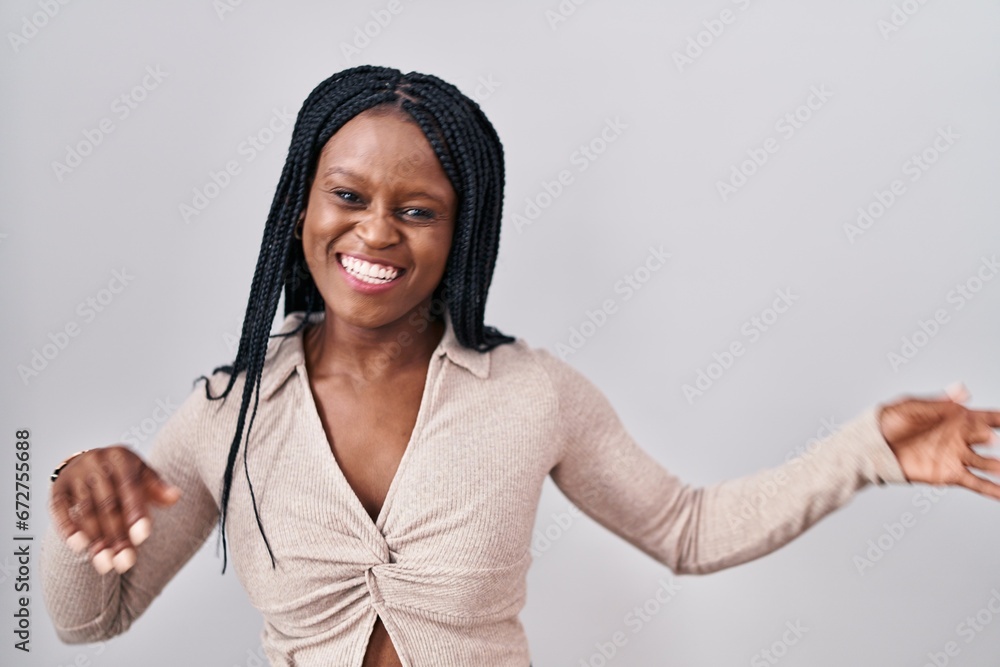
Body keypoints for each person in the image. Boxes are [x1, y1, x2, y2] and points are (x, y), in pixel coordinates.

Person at [40, 65, 1000, 667]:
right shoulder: (230, 411)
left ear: (461, 234)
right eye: (348, 194)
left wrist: (867, 450)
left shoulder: (532, 393)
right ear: (304, 206)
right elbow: (90, 622)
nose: (375, 230)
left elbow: (687, 528)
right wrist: (72, 510)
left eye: (416, 208)